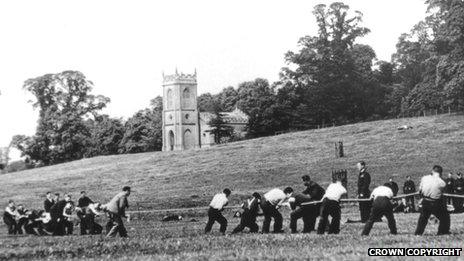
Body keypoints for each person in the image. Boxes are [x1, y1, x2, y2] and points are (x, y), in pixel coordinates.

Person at [414, 165, 450, 235]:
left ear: (432, 171)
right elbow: (442, 194)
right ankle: (442, 232)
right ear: (441, 173)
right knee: (445, 217)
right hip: (435, 202)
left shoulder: (424, 178)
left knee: (422, 219)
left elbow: (420, 190)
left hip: (425, 201)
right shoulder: (442, 183)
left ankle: (418, 233)